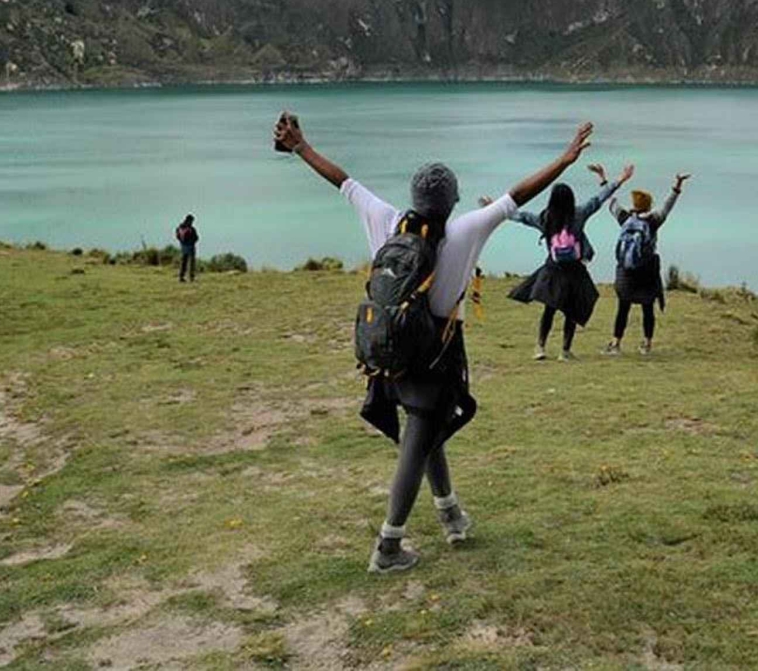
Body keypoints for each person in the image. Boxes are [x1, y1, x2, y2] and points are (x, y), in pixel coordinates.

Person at [273, 112, 594, 574]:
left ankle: (450, 514)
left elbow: (342, 181)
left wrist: (301, 146)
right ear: (452, 202)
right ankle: (388, 548)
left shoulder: (387, 219)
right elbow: (518, 195)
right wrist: (564, 160)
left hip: (390, 347)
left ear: (415, 198)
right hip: (436, 352)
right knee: (418, 440)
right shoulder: (465, 230)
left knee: (426, 434)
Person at [506, 163, 632, 361]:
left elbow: (522, 217)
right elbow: (598, 199)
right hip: (575, 270)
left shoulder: (546, 218)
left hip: (553, 268)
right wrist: (620, 180)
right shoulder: (578, 214)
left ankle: (540, 347)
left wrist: (495, 209)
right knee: (572, 311)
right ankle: (565, 351)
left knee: (549, 309)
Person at [605, 173, 690, 356]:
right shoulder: (653, 221)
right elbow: (668, 205)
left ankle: (615, 343)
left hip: (627, 271)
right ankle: (646, 344)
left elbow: (610, 201)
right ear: (648, 205)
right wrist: (677, 185)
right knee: (648, 308)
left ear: (634, 204)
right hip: (647, 271)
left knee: (623, 308)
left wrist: (603, 178)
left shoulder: (625, 218)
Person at [175, 214, 199, 282]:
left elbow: (177, 237)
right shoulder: (191, 228)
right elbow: (196, 238)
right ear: (190, 220)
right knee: (191, 263)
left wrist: (182, 243)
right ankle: (191, 277)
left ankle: (181, 277)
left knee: (183, 263)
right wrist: (192, 242)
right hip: (190, 247)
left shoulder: (179, 228)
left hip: (183, 247)